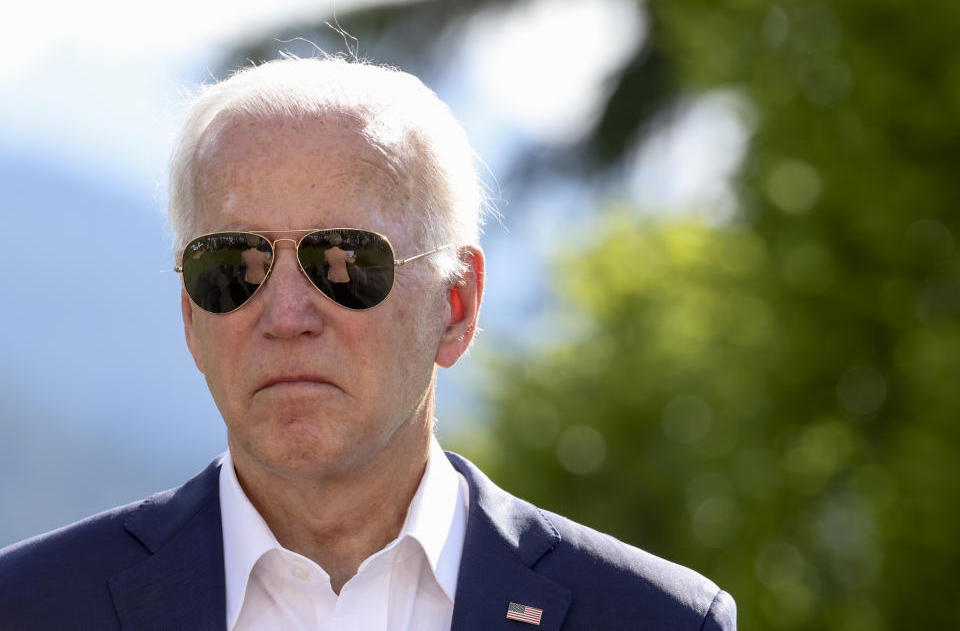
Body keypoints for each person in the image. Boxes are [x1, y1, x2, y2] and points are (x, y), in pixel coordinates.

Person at [0, 56, 736, 630]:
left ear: (456, 305)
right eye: (234, 266)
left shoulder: (656, 619)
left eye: (344, 261)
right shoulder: (26, 608)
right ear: (192, 316)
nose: (286, 312)